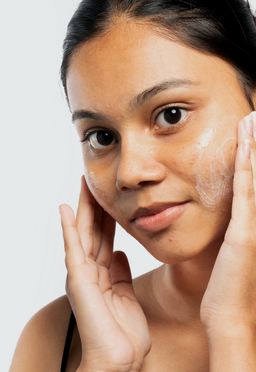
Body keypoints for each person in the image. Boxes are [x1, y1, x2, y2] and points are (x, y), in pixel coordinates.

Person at [9, 0, 256, 371]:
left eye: (170, 115)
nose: (129, 172)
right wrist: (104, 364)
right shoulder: (58, 336)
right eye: (102, 137)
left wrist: (231, 330)